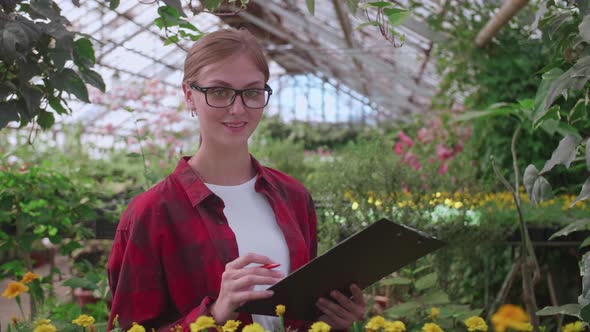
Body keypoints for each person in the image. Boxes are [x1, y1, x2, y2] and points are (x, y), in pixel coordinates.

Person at [107, 28, 366, 332]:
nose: (238, 108)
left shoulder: (293, 197)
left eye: (252, 92)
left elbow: (302, 315)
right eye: (219, 91)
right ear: (189, 95)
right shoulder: (151, 213)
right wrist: (216, 313)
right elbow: (130, 327)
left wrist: (331, 320)